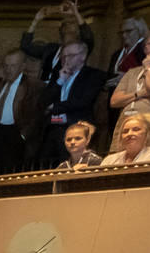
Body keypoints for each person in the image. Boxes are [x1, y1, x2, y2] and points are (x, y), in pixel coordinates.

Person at [38, 39, 111, 167]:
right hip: (52, 129)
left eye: (71, 56)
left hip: (76, 127)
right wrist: (60, 81)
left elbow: (83, 101)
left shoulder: (94, 75)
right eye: (63, 56)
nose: (66, 60)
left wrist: (54, 107)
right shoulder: (58, 76)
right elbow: (42, 101)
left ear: (83, 56)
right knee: (47, 165)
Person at [0, 52, 45, 175]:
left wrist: (23, 136)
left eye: (13, 66)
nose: (8, 70)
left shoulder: (33, 85)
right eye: (6, 66)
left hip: (15, 135)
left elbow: (38, 115)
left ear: (22, 66)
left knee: (9, 173)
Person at [109, 26, 150, 120]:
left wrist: (149, 67)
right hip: (126, 122)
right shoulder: (131, 72)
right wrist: (140, 94)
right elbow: (114, 101)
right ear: (145, 49)